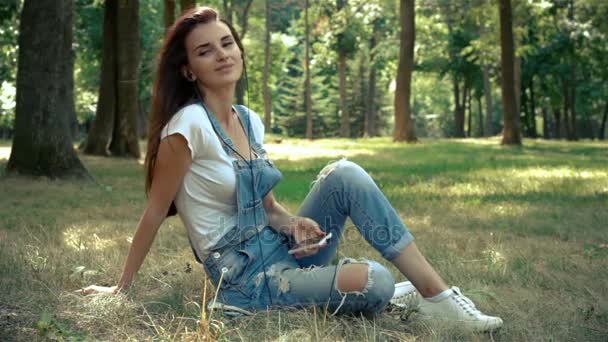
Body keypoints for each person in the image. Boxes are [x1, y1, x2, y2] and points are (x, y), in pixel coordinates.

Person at [82, 6, 503, 332]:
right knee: (374, 281)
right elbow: (155, 211)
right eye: (205, 50)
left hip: (279, 249)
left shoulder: (248, 120)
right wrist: (120, 287)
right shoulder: (187, 128)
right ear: (189, 69)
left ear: (239, 50)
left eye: (227, 43)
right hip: (246, 278)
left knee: (345, 173)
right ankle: (395, 295)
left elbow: (267, 207)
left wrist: (294, 223)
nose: (222, 54)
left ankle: (436, 295)